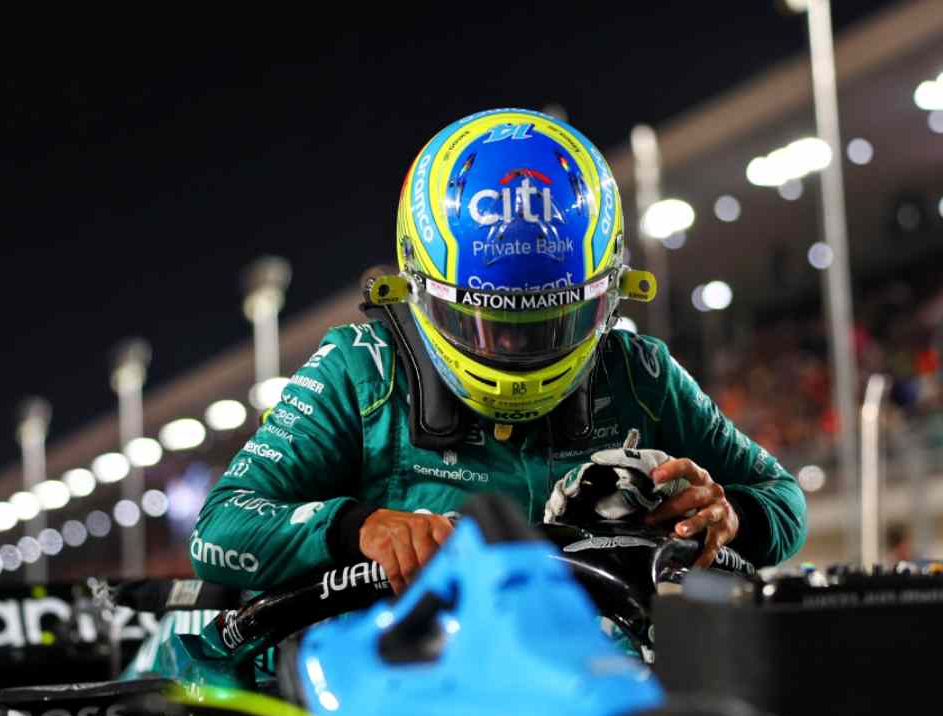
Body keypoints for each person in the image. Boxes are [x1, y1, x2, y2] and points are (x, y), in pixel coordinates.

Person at [191, 109, 805, 592]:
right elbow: (219, 530)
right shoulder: (361, 369)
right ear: (413, 287)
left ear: (610, 296)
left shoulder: (641, 373)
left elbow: (784, 502)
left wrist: (729, 517)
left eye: (551, 326)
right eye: (483, 324)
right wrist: (360, 528)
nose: (514, 350)